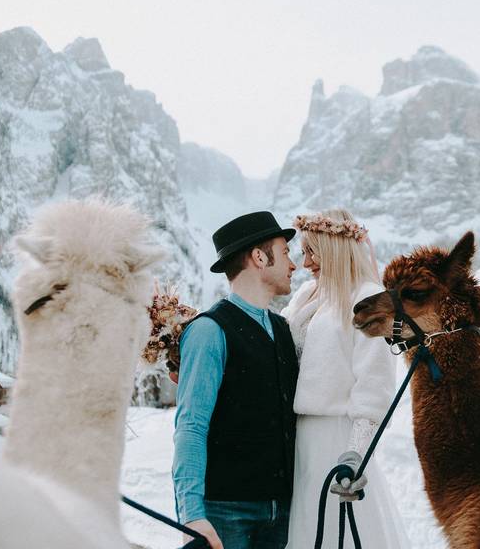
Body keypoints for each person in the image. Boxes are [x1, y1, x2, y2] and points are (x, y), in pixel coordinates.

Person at [173, 211, 302, 549]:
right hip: (226, 513)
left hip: (283, 511)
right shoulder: (208, 330)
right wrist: (190, 514)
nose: (294, 265)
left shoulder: (283, 330)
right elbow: (191, 425)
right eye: (285, 252)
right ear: (260, 257)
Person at [283, 209, 410, 548]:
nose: (306, 262)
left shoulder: (368, 298)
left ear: (335, 248)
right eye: (304, 252)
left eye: (313, 251)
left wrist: (355, 454)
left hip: (335, 440)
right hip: (299, 440)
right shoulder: (305, 297)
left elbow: (374, 385)